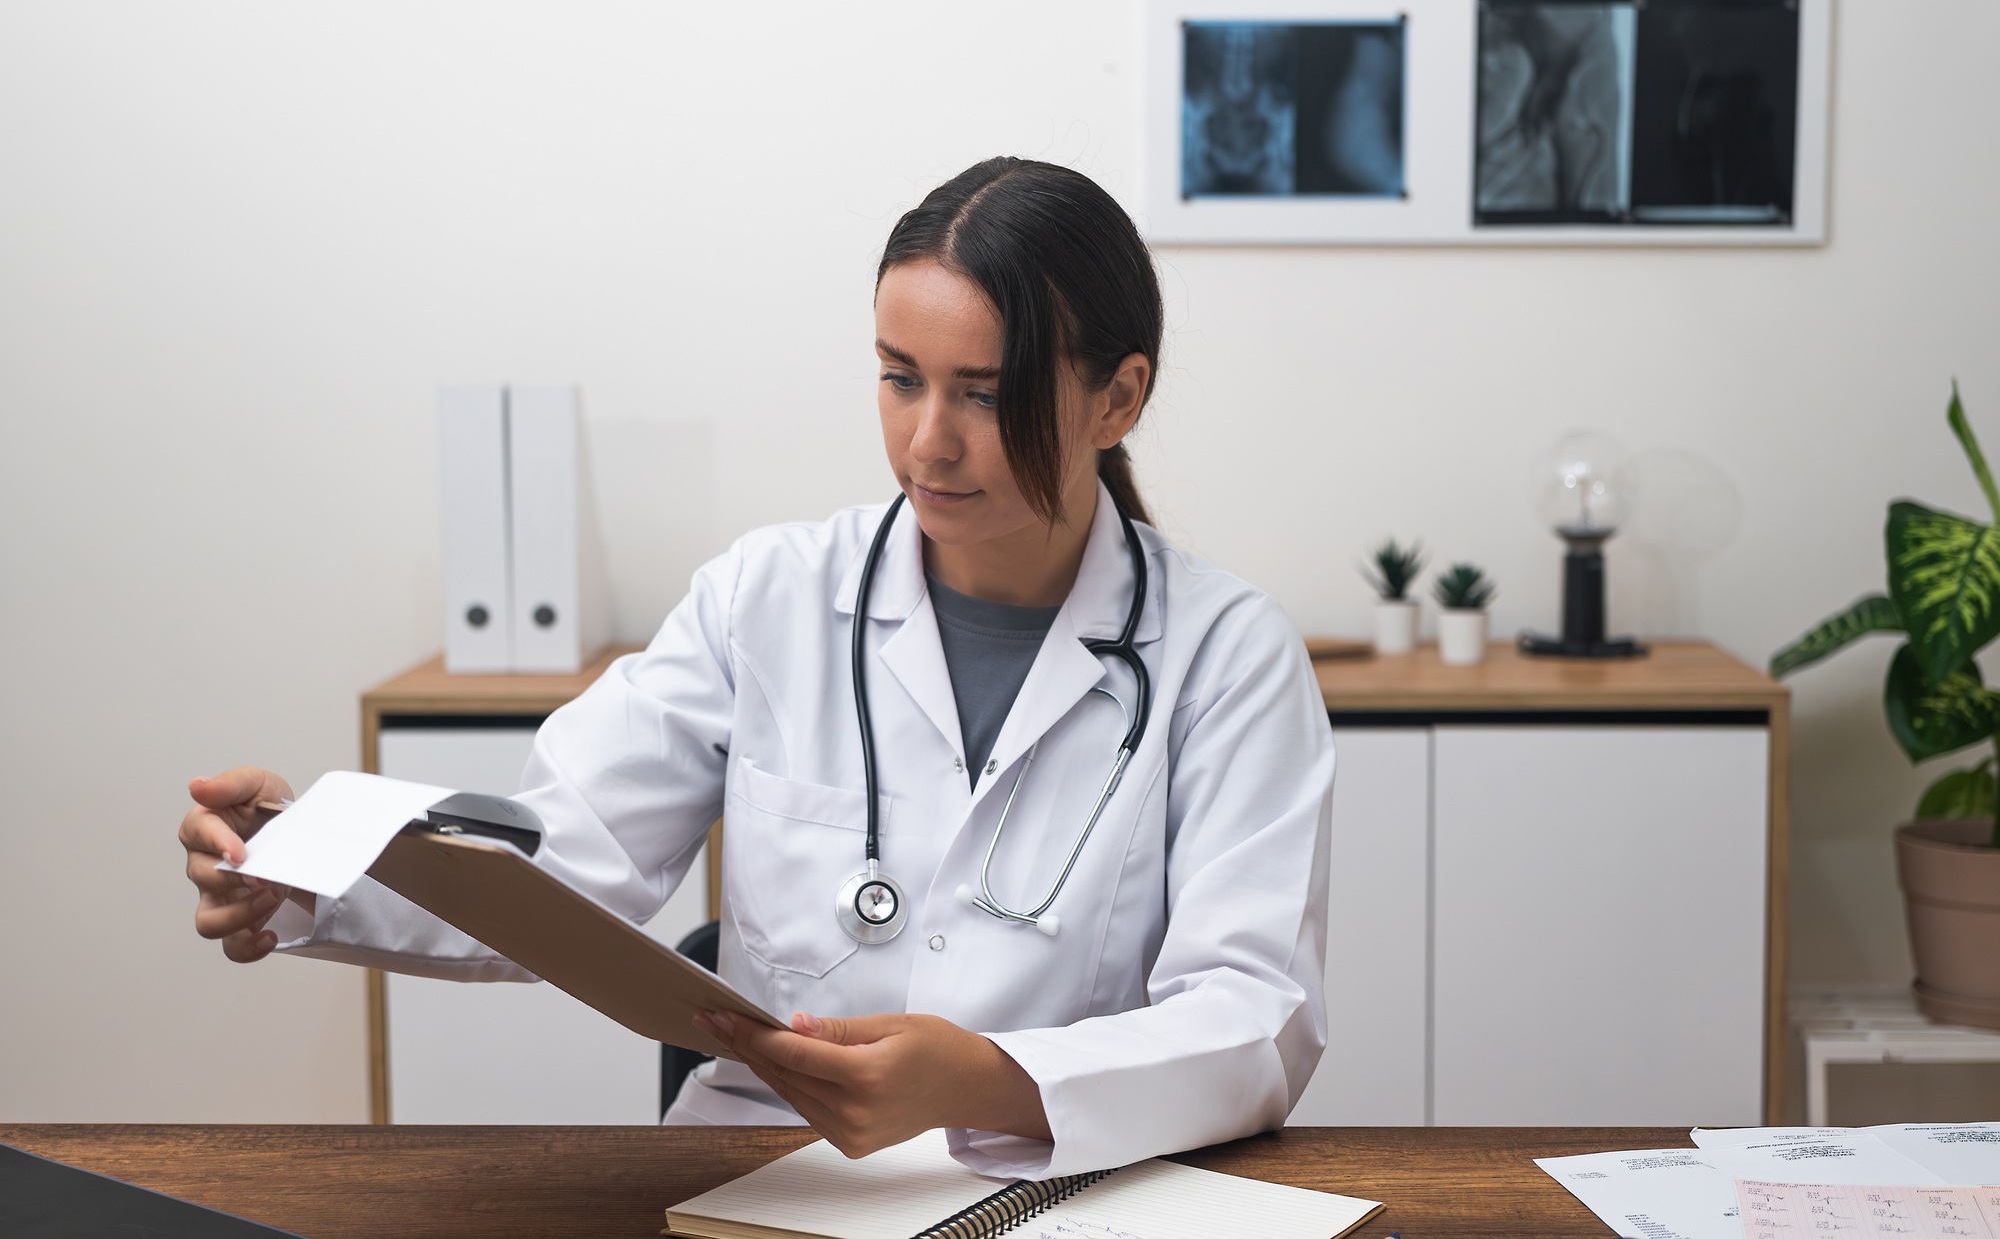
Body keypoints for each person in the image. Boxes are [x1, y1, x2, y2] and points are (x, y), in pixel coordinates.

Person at [179, 157, 1336, 1180]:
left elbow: (1251, 1020)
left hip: (1062, 1186)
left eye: (983, 393)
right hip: (770, 1170)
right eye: (899, 377)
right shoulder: (765, 598)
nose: (927, 439)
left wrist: (987, 1078)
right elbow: (565, 863)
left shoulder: (1224, 657)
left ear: (1117, 397)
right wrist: (301, 869)